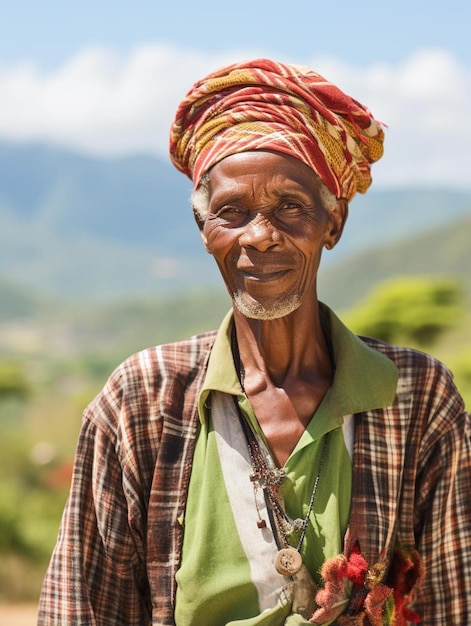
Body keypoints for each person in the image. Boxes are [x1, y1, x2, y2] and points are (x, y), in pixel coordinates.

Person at [38, 58, 471, 625]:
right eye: (232, 212)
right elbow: (80, 610)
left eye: (289, 207)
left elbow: (451, 606)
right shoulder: (141, 400)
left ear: (332, 223)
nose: (260, 236)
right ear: (205, 232)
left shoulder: (417, 398)